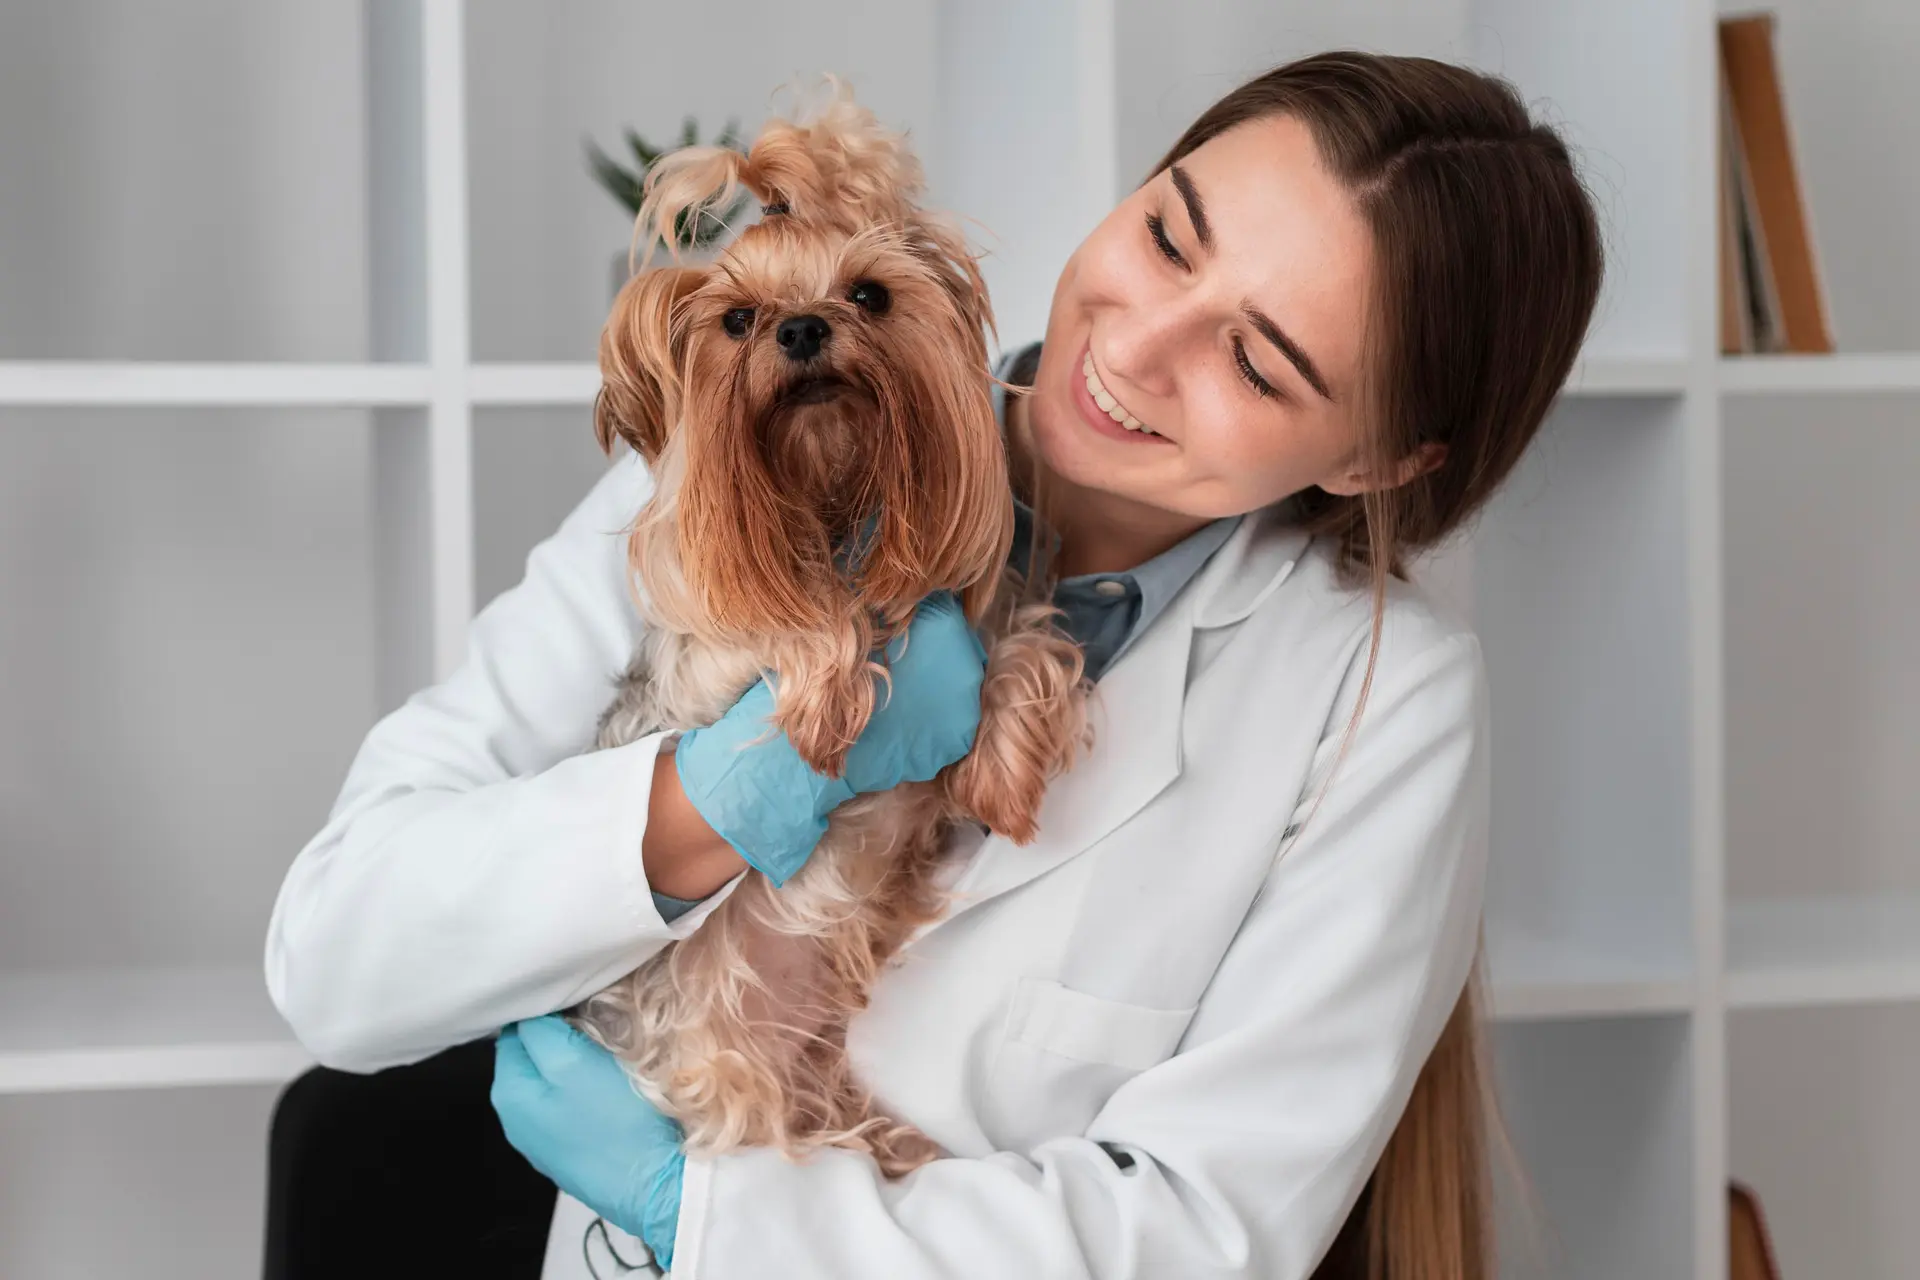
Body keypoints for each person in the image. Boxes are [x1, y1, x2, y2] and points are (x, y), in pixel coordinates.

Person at [264, 50, 1601, 1279]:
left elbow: (1202, 1229)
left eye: (1253, 359)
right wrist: (725, 797)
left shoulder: (1378, 702)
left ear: (1374, 461)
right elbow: (336, 955)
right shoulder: (735, 462)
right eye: (1164, 235)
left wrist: (709, 1215)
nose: (1137, 346)